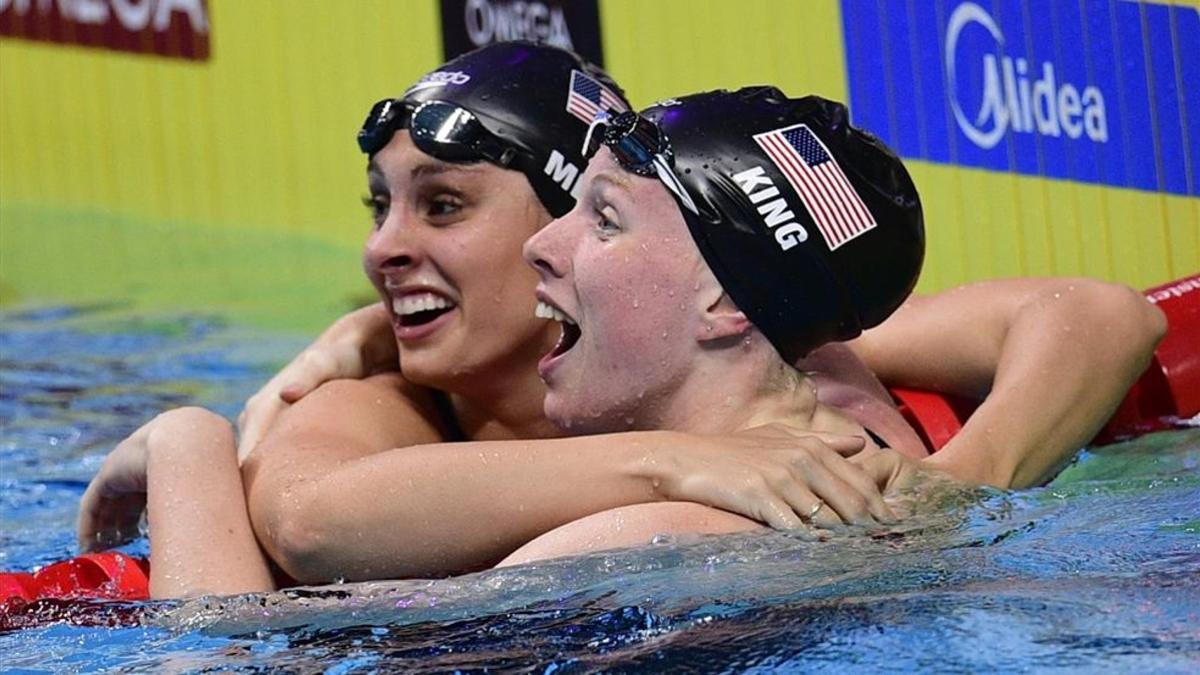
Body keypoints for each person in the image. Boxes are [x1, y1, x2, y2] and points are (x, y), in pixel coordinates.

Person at [76, 44, 908, 598]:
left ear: (726, 302)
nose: (381, 253)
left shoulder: (630, 543)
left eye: (601, 219)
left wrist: (187, 449)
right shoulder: (857, 451)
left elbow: (228, 654)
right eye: (379, 207)